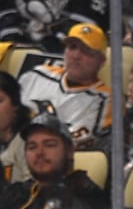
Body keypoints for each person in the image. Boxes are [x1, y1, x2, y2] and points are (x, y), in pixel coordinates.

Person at [0, 112, 109, 209]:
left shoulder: (86, 199)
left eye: (49, 144)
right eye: (32, 147)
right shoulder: (19, 193)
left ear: (70, 151)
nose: (39, 152)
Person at [18, 20, 112, 150]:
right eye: (72, 47)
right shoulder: (37, 74)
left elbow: (72, 146)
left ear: (101, 61)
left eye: (86, 51)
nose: (76, 55)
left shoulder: (106, 100)